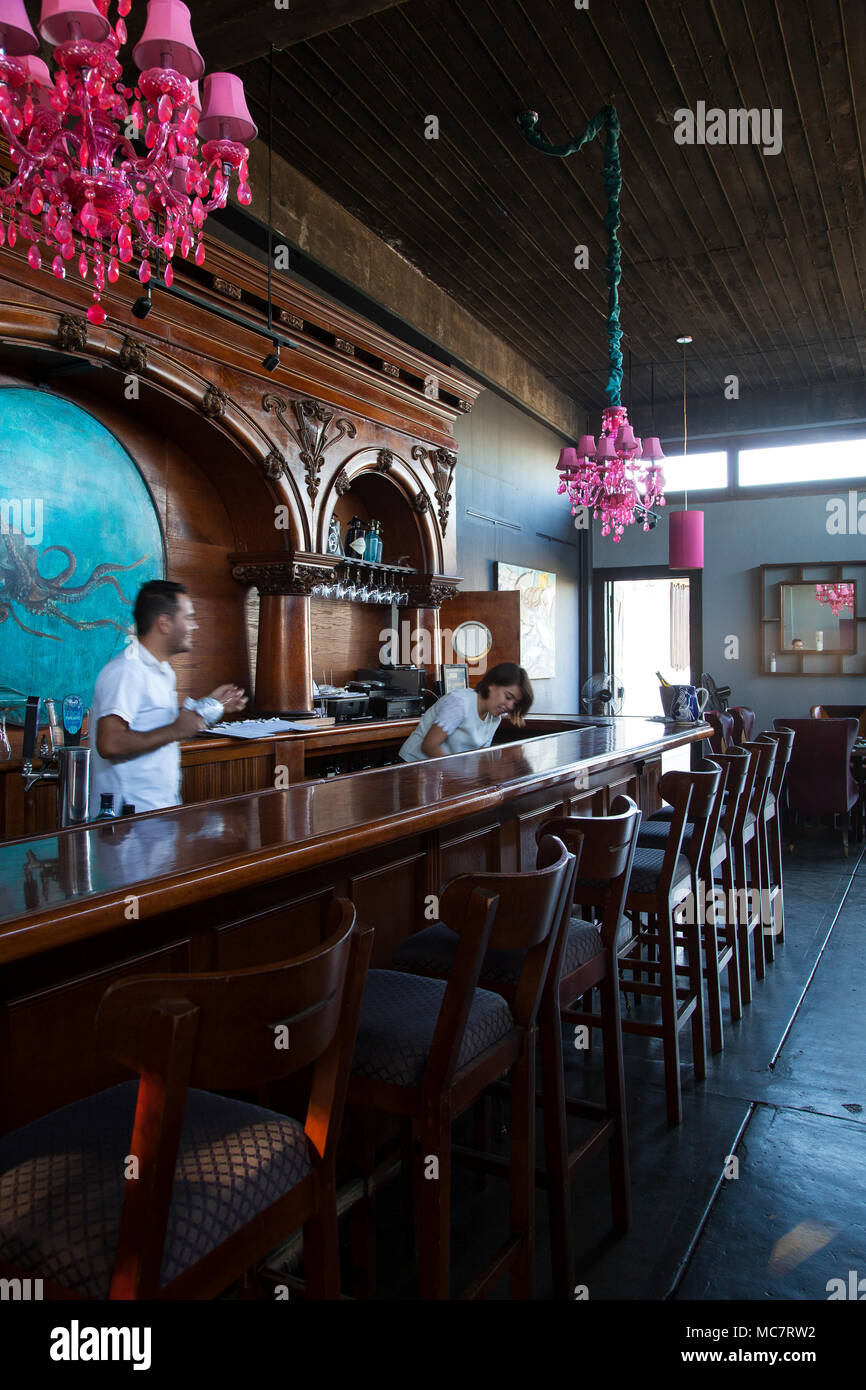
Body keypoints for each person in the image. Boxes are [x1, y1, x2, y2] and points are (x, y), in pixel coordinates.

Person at [89, 580, 247, 814]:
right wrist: (176, 730)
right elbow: (110, 743)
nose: (194, 626)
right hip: (128, 819)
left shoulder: (162, 671)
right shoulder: (127, 670)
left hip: (157, 811)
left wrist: (214, 704)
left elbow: (160, 724)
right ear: (164, 623)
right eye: (188, 618)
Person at [398, 662, 533, 762]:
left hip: (442, 773)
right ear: (492, 685)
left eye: (515, 703)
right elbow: (429, 746)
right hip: (413, 766)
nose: (510, 706)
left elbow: (480, 757)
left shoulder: (494, 719)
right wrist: (460, 775)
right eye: (508, 697)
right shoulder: (460, 702)